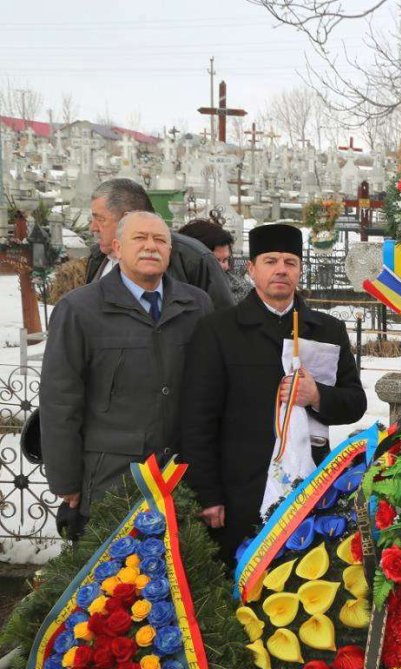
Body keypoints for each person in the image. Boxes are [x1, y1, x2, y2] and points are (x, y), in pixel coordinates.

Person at [181, 223, 367, 565]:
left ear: (300, 270)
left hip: (307, 489)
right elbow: (197, 419)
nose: (281, 269)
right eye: (270, 261)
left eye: (290, 261)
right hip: (240, 491)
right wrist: (207, 495)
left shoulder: (327, 329)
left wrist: (316, 396)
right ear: (251, 269)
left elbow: (355, 403)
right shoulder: (219, 331)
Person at [40, 211, 212, 532]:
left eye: (160, 240)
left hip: (181, 475)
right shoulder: (80, 309)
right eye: (140, 238)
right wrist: (65, 479)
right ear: (117, 248)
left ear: (170, 252)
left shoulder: (196, 305)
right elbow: (60, 399)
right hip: (112, 478)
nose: (151, 247)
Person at [86, 178, 234, 309]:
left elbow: (221, 321)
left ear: (128, 218)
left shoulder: (192, 258)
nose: (93, 228)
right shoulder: (98, 257)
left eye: (100, 219)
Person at [178, 217, 252, 303]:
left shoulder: (241, 292)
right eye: (215, 261)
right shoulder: (168, 291)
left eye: (225, 260)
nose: (224, 266)